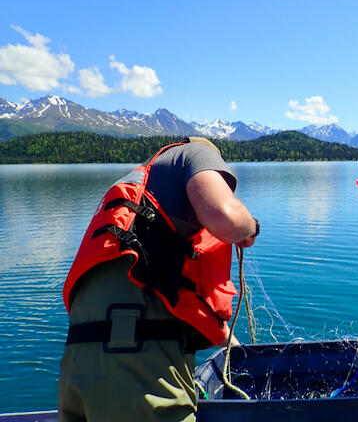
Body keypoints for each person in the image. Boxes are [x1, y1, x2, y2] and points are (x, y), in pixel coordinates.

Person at [58, 137, 259, 422]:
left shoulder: (142, 198)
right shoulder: (196, 154)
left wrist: (239, 351)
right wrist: (250, 227)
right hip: (136, 374)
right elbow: (227, 218)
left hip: (77, 367)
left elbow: (183, 303)